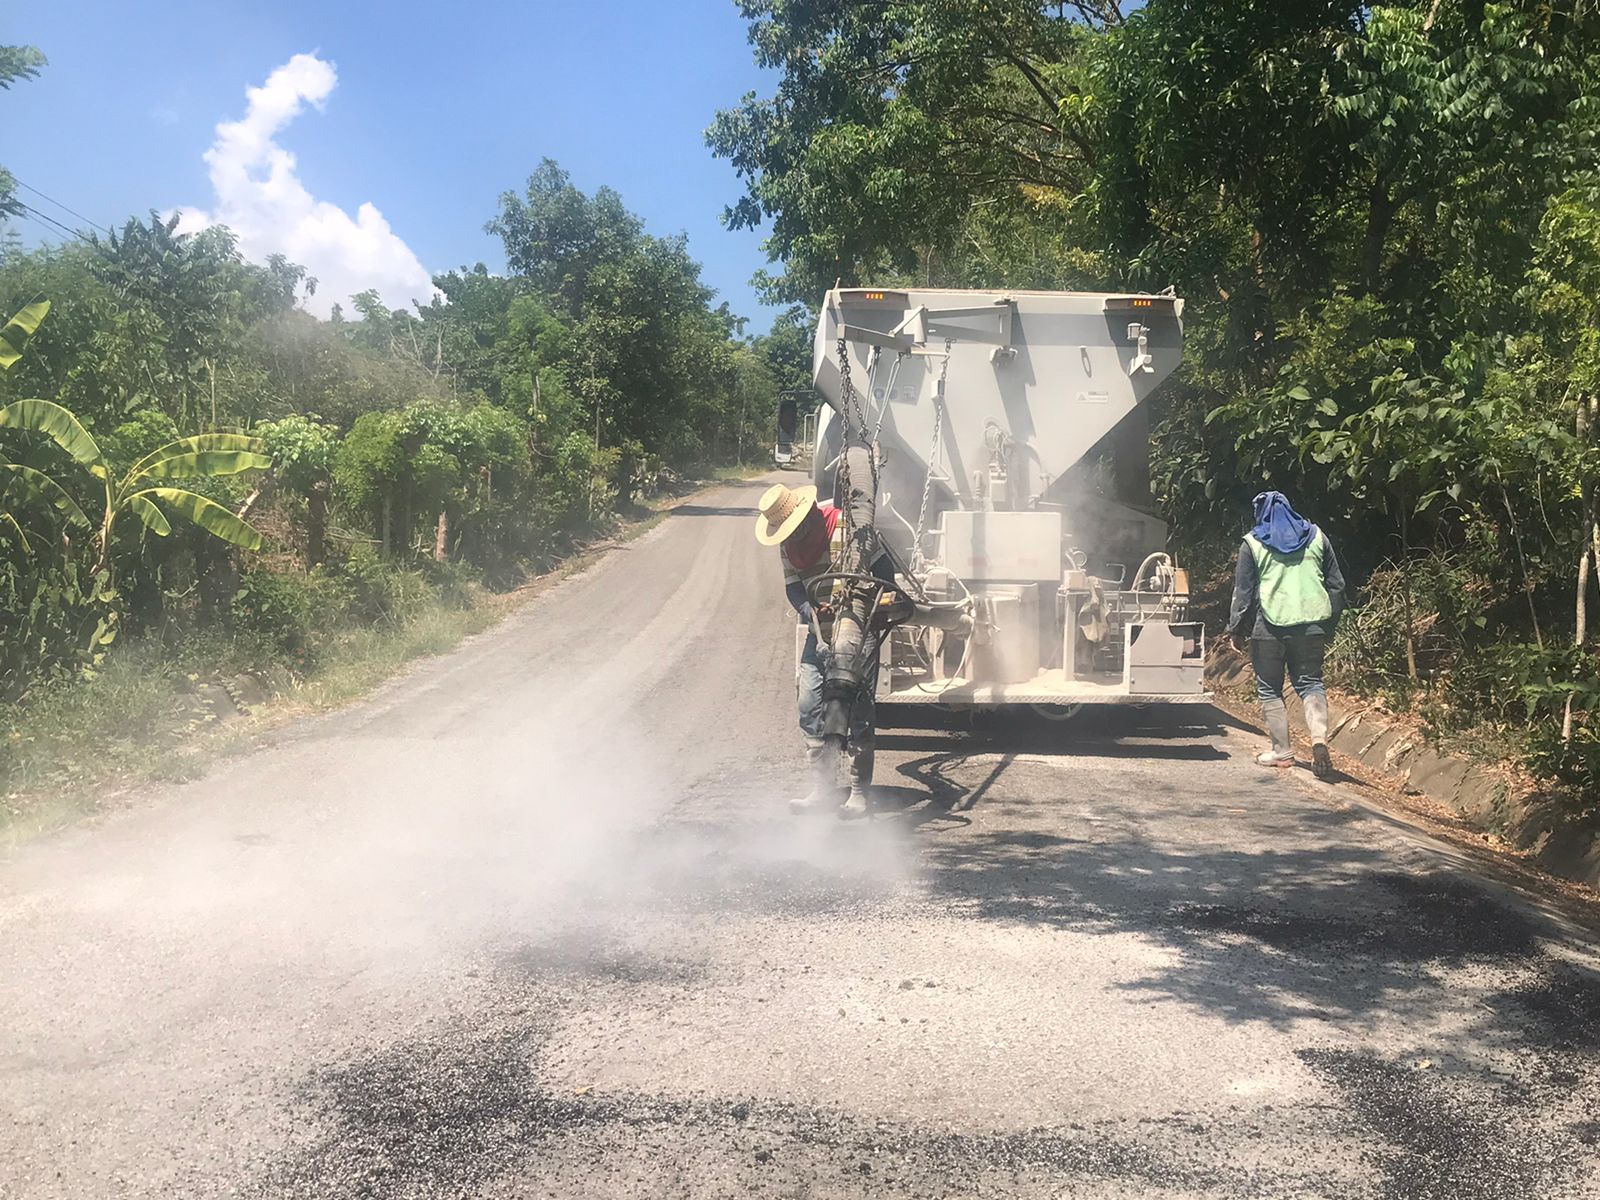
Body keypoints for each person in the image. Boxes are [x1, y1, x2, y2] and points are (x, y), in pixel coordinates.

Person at [754, 481, 886, 819]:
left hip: (857, 626)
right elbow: (794, 589)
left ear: (809, 514)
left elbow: (886, 570)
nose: (793, 536)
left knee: (857, 706)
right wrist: (809, 609)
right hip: (821, 631)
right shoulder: (789, 546)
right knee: (809, 701)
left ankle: (858, 792)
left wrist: (869, 599)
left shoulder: (846, 525)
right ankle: (823, 789)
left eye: (795, 529)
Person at [1223, 490, 1346, 780]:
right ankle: (1319, 740)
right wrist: (1328, 625)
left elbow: (1243, 592)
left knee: (1269, 688)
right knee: (1311, 683)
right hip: (1312, 624)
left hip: (1270, 626)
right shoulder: (1317, 536)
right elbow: (1337, 586)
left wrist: (1236, 629)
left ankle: (1282, 751)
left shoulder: (1252, 543)